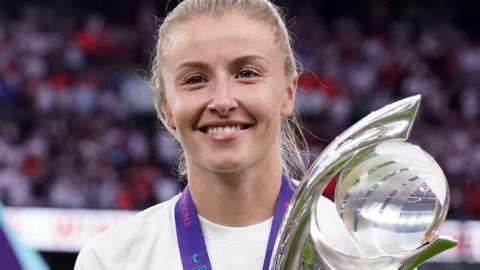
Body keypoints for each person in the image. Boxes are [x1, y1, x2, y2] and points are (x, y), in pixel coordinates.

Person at [74, 0, 309, 269]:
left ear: (289, 93)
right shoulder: (111, 259)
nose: (222, 101)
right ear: (166, 106)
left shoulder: (351, 246)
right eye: (195, 79)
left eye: (246, 73)